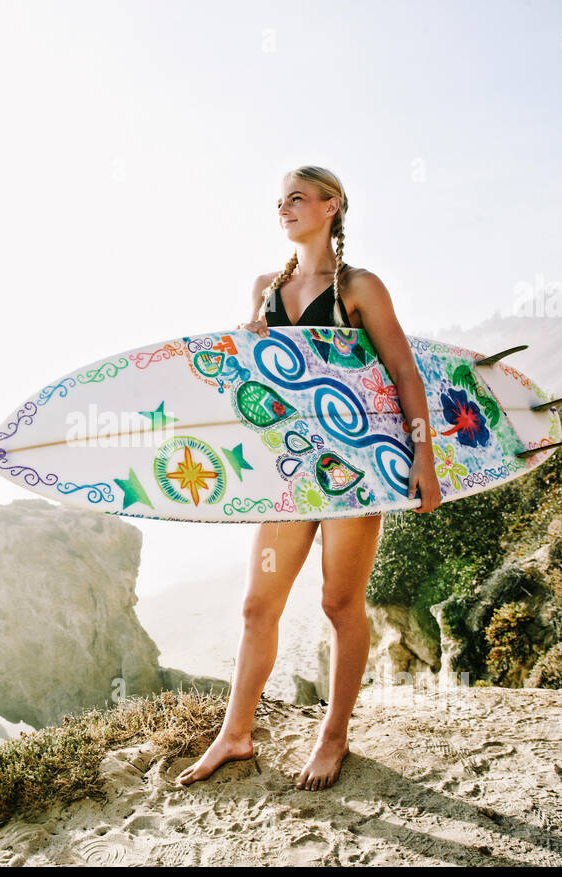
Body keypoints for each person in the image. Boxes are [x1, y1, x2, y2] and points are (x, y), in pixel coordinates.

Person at [176, 165, 442, 791]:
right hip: (288, 471)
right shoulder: (265, 287)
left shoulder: (359, 287)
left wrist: (422, 456)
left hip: (353, 469)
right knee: (256, 605)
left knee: (339, 603)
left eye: (297, 198)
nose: (284, 208)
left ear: (332, 206)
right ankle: (235, 734)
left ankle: (335, 734)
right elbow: (256, 380)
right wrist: (246, 350)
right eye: (279, 201)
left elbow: (403, 371)